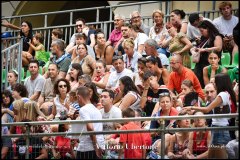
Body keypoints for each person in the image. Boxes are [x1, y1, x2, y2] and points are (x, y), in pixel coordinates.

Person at [184, 73, 237, 158]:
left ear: (220, 83)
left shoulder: (222, 94)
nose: (214, 84)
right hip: (216, 129)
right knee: (211, 156)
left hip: (220, 130)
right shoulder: (226, 93)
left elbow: (207, 109)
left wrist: (191, 107)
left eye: (215, 82)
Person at [73, 86, 105, 159]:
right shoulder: (96, 110)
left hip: (88, 149)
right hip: (98, 146)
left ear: (79, 97)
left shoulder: (83, 110)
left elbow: (90, 127)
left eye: (76, 97)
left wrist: (95, 146)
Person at [193, 20, 223, 88]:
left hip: (211, 62)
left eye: (202, 31)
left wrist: (205, 50)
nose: (201, 33)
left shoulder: (217, 36)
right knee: (197, 81)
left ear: (208, 29)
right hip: (201, 63)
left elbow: (218, 48)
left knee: (210, 83)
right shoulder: (204, 38)